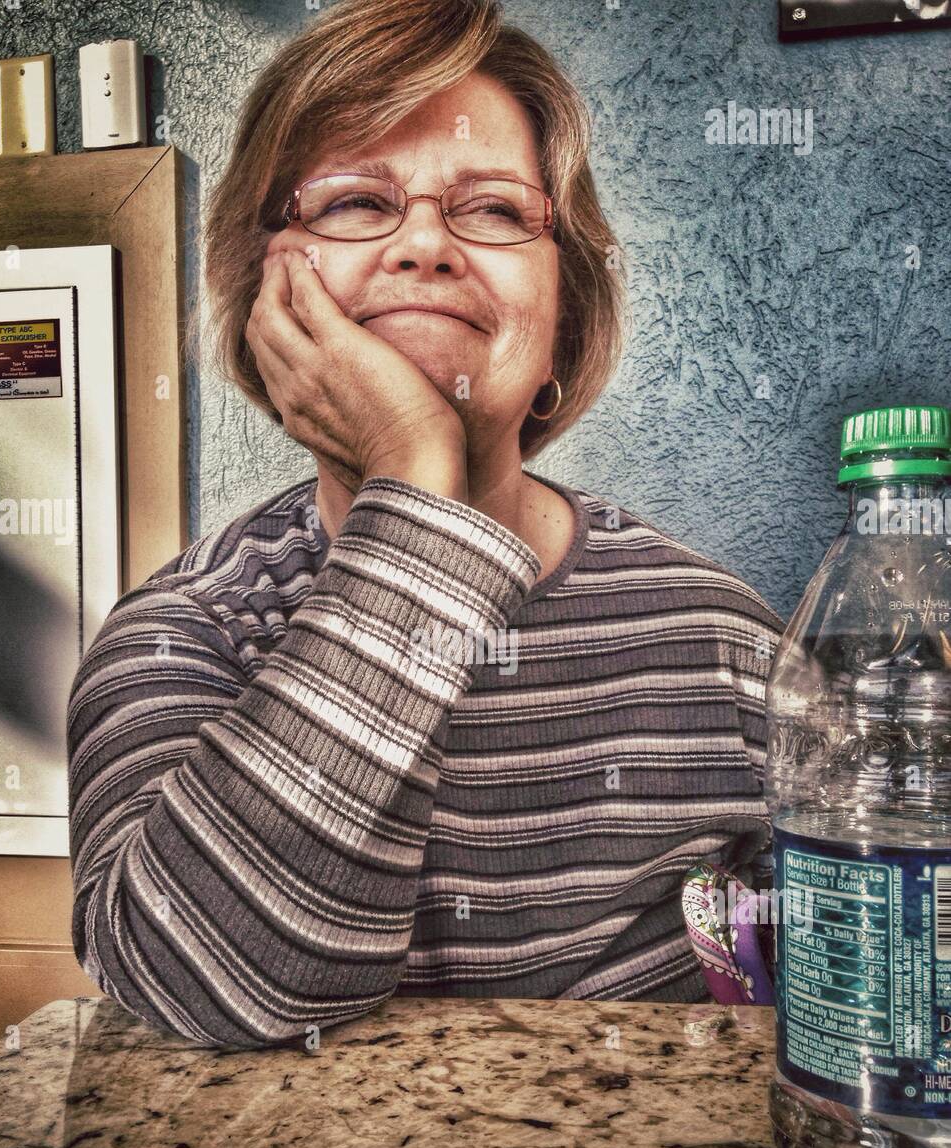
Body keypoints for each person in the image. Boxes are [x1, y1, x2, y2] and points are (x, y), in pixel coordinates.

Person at [66, 0, 785, 1048]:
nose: (422, 246)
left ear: (566, 310)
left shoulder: (722, 640)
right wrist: (413, 474)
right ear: (255, 291)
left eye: (492, 211)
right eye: (356, 203)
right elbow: (209, 989)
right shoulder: (183, 635)